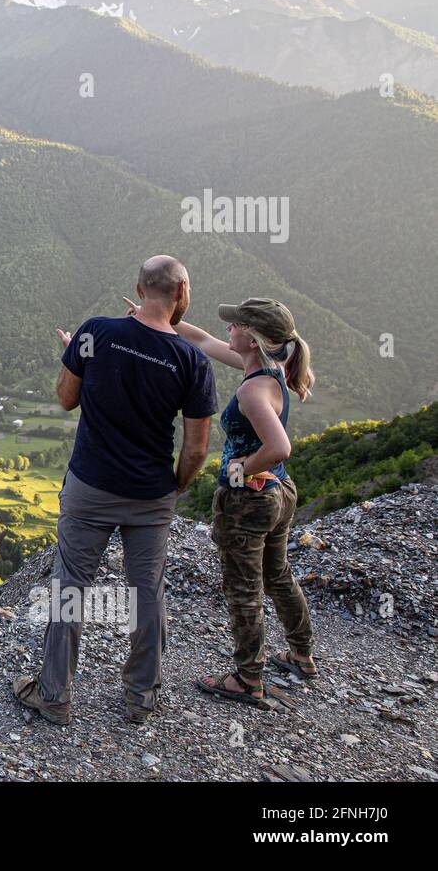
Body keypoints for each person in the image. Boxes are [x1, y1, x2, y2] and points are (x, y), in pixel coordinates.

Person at [13, 256, 216, 726]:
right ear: (182, 294)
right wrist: (173, 490)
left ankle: (54, 697)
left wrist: (75, 355)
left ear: (138, 287)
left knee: (69, 589)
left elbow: (66, 398)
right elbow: (197, 448)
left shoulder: (96, 333)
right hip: (150, 494)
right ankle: (141, 698)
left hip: (90, 486)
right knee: (147, 591)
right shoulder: (192, 359)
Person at [173, 298, 317, 706]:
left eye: (235, 325)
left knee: (243, 589)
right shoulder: (270, 370)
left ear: (252, 338)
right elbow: (201, 340)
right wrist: (167, 318)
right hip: (280, 494)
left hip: (249, 501)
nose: (229, 329)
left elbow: (280, 446)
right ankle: (301, 654)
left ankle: (247, 678)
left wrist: (242, 468)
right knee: (278, 575)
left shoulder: (253, 390)